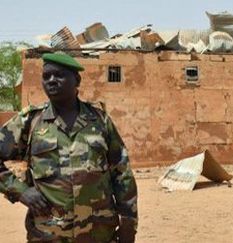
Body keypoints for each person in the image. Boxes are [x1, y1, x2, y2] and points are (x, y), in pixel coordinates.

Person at [0, 52, 138, 242]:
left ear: (77, 80)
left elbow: (122, 173)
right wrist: (20, 190)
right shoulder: (30, 121)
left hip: (98, 233)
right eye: (46, 76)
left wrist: (129, 223)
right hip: (48, 233)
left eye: (59, 75)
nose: (51, 80)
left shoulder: (99, 120)